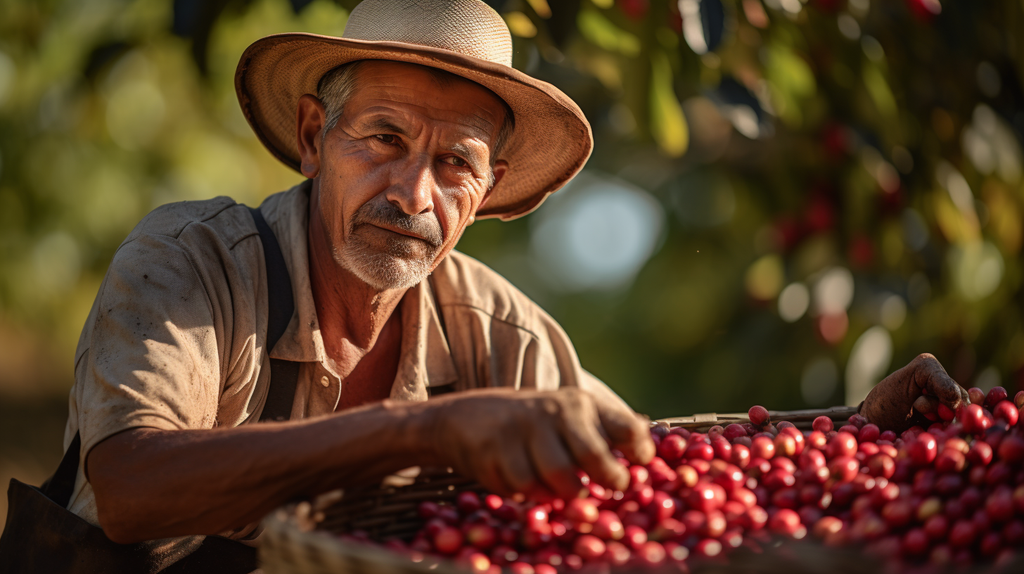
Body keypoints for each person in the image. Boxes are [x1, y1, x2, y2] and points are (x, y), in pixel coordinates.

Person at [43, 0, 967, 569]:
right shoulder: (195, 263)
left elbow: (656, 473)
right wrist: (426, 428)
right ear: (314, 133)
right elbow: (130, 490)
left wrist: (848, 434)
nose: (413, 194)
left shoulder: (497, 330)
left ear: (485, 193)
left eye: (456, 164)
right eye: (383, 139)